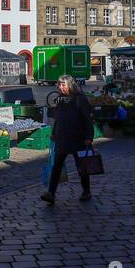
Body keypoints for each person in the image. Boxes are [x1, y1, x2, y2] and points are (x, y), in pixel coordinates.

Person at [40, 74, 94, 205]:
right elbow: (58, 119)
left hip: (77, 137)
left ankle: (86, 191)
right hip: (62, 137)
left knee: (81, 166)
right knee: (56, 166)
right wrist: (54, 133)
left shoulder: (80, 99)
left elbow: (87, 118)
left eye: (63, 84)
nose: (60, 87)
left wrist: (88, 137)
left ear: (70, 85)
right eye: (59, 84)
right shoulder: (60, 99)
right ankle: (51, 193)